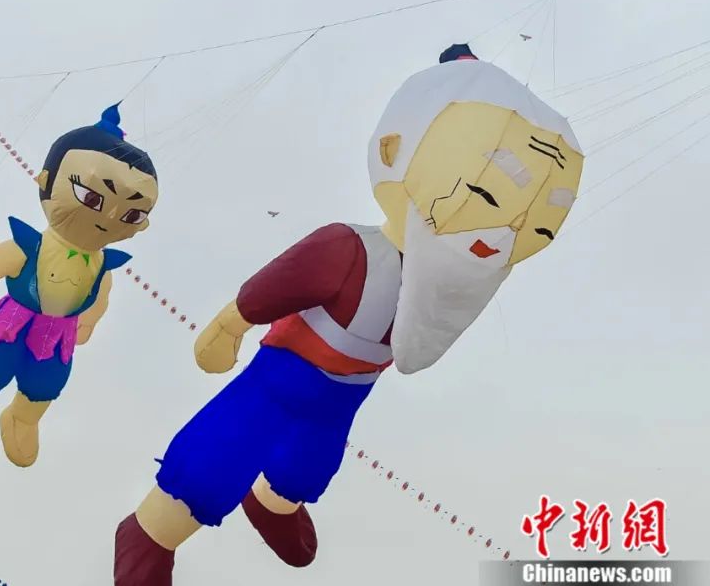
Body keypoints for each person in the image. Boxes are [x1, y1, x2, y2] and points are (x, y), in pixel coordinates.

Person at [113, 44, 585, 585]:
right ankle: (150, 533)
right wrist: (229, 325)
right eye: (486, 193)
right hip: (280, 380)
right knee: (216, 460)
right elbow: (273, 286)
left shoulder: (441, 291)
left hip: (342, 400)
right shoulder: (350, 249)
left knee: (308, 468)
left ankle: (271, 503)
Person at [0, 104, 159, 467]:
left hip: (60, 335)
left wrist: (89, 322)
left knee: (46, 383)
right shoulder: (29, 247)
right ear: (47, 181)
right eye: (92, 197)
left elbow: (100, 298)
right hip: (12, 323)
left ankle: (22, 419)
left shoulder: (101, 266)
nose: (109, 217)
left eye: (131, 214)